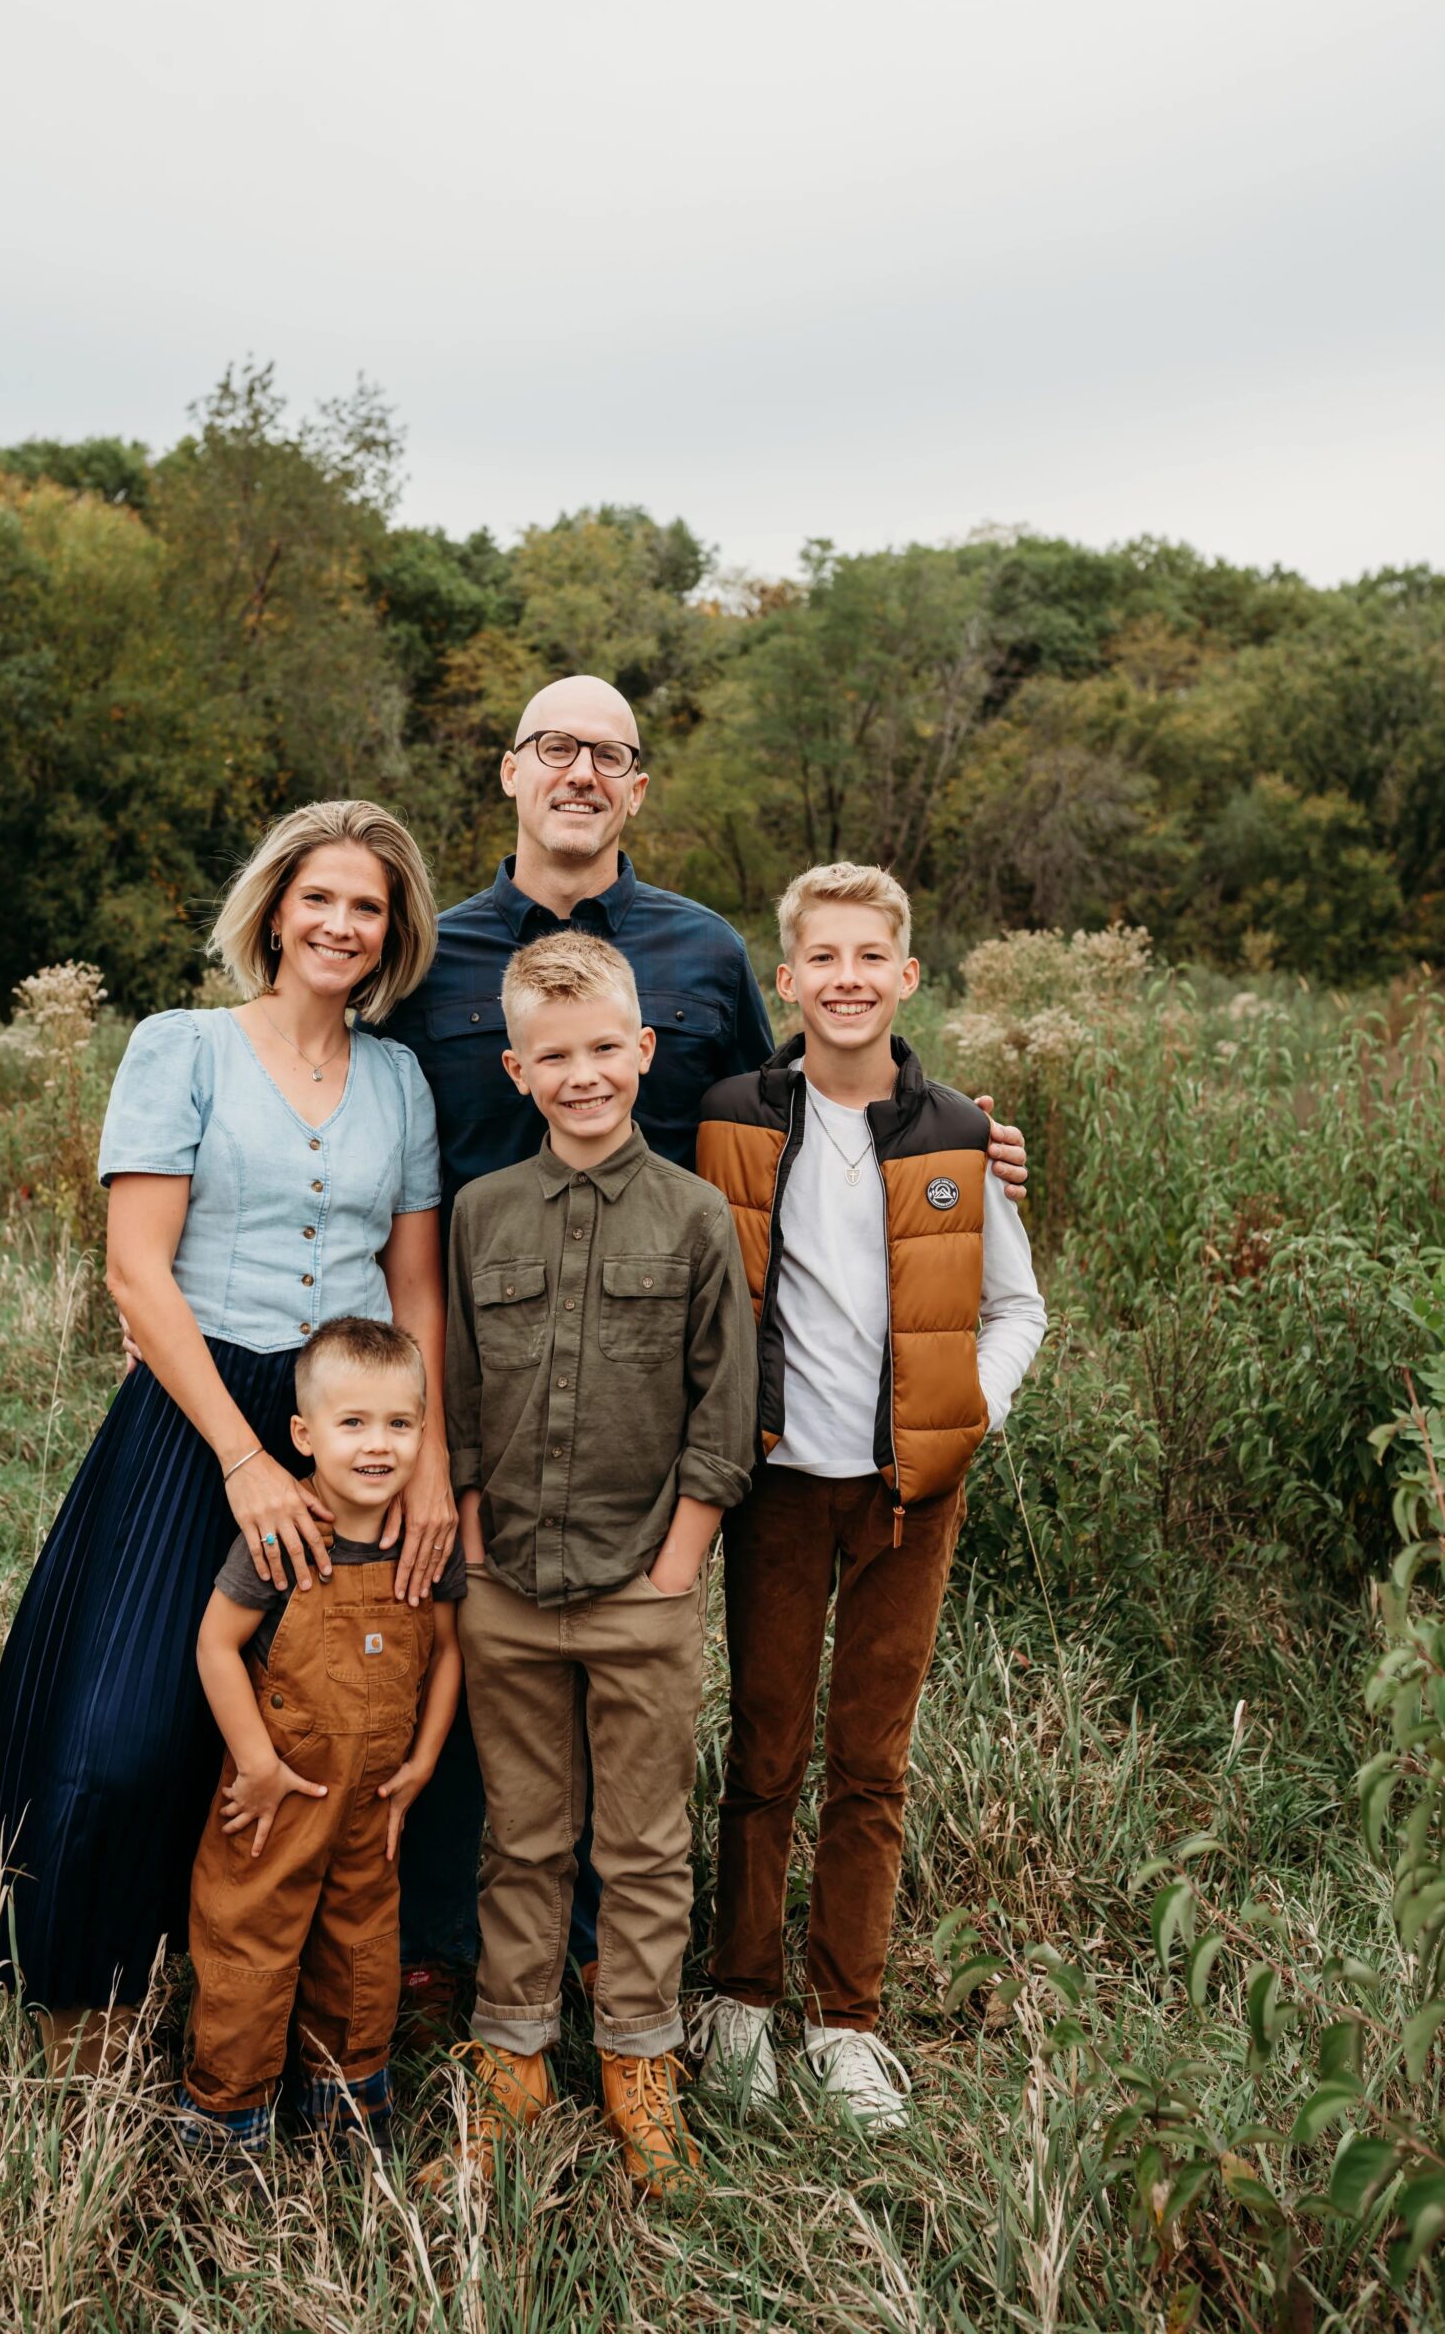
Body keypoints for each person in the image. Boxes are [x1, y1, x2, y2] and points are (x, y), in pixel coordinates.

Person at [382, 673, 1031, 2013]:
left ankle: (628, 1977)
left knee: (644, 1676)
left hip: (662, 1389)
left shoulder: (696, 954)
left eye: (607, 755)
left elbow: (796, 1095)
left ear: (634, 787)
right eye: (553, 748)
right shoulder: (430, 954)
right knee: (479, 1651)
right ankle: (463, 1957)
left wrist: (950, 1132)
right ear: (508, 771)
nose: (579, 772)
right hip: (481, 1379)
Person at [0, 800, 457, 2070]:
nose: (341, 924)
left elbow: (414, 1291)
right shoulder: (180, 1046)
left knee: (314, 1727)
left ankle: (256, 2015)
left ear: (392, 930)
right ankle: (81, 2006)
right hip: (196, 1415)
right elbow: (137, 1272)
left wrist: (429, 1470)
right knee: (125, 1730)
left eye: (369, 905)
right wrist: (244, 1458)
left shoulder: (399, 1078)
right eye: (321, 898)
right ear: (274, 909)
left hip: (344, 1427)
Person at [689, 861, 1047, 2123]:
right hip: (776, 1483)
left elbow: (1015, 1307)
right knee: (766, 1742)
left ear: (904, 976)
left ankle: (845, 2022)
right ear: (785, 980)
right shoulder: (729, 1113)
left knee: (870, 1760)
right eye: (819, 959)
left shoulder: (953, 1131)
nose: (845, 980)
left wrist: (969, 1411)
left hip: (909, 1492)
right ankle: (737, 2003)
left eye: (868, 958)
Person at [428, 932, 755, 2199]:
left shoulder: (691, 1218)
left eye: (602, 1051)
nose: (581, 1075)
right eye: (552, 1056)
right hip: (506, 1586)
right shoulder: (479, 1214)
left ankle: (636, 2059)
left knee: (643, 1844)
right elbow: (456, 1389)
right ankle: (511, 2053)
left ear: (643, 1052)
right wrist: (464, 1535)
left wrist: (677, 1567)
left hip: (641, 1588)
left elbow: (724, 1409)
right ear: (515, 1068)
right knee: (521, 1836)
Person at [177, 1318, 464, 2170]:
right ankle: (228, 2117)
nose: (379, 1446)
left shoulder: (423, 1545)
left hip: (375, 1795)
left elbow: (449, 1653)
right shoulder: (283, 1536)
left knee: (363, 1944)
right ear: (304, 1434)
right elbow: (215, 1645)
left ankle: (344, 2099)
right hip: (278, 1794)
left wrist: (422, 1764)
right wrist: (257, 1763)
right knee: (249, 1940)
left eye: (399, 1425)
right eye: (353, 1424)